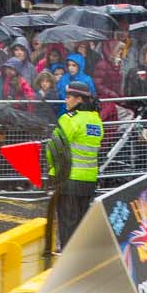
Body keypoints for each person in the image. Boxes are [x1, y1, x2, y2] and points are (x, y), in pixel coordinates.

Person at [43, 76, 103, 250]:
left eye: (69, 96)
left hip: (68, 180)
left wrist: (51, 171)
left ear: (79, 99)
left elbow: (53, 149)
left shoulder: (69, 119)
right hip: (89, 181)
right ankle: (80, 258)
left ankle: (68, 258)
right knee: (82, 225)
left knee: (68, 225)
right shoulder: (96, 120)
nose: (66, 100)